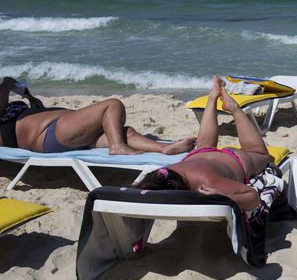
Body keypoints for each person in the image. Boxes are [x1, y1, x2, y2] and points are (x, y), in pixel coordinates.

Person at [136, 77, 274, 211]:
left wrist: (223, 196)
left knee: (259, 153)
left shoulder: (208, 183)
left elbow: (253, 197)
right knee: (204, 148)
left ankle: (234, 108)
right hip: (199, 154)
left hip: (235, 158)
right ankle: (213, 97)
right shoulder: (159, 175)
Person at [0, 76, 195, 155]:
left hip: (64, 133)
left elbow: (38, 108)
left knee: (123, 131)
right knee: (112, 105)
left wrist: (28, 95)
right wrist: (6, 86)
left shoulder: (11, 114)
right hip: (51, 132)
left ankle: (164, 148)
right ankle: (117, 147)